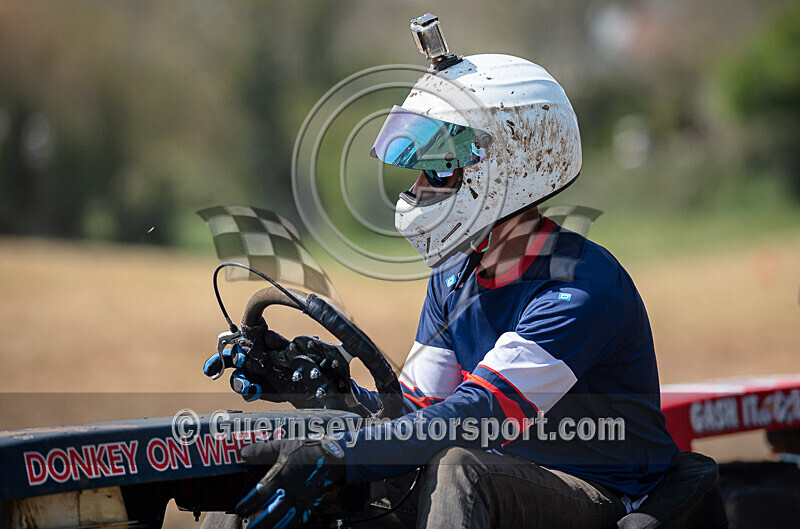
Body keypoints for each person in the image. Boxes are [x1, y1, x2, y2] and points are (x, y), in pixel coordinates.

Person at [203, 48, 681, 529]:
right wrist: (328, 393)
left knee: (456, 467)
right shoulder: (455, 276)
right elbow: (416, 414)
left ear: (508, 168)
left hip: (604, 495)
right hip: (502, 481)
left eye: (439, 168)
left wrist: (338, 455)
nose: (417, 187)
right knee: (277, 449)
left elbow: (475, 414)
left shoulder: (578, 288)